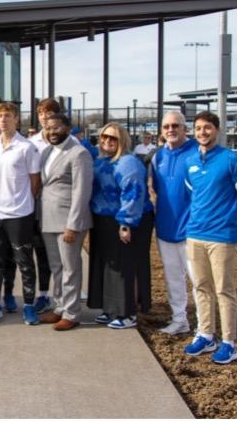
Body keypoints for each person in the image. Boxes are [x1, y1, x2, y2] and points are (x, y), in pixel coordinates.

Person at [183, 111, 237, 365]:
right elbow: (192, 197)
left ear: (217, 130)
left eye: (208, 128)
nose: (202, 132)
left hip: (222, 236)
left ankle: (229, 342)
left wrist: (232, 222)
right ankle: (205, 335)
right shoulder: (190, 162)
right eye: (198, 128)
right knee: (201, 287)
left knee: (224, 290)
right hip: (195, 234)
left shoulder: (231, 160)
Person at [88, 122, 154, 330]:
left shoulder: (128, 163)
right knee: (109, 267)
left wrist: (126, 223)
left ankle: (128, 313)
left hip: (128, 221)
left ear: (122, 141)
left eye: (113, 138)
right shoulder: (100, 162)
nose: (107, 141)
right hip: (103, 220)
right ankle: (111, 308)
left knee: (126, 267)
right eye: (104, 137)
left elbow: (133, 193)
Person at [0, 102, 41, 326]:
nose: (3, 120)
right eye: (0, 117)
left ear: (16, 119)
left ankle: (28, 306)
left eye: (8, 116)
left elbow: (35, 182)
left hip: (20, 214)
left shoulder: (27, 147)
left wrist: (23, 203)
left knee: (24, 262)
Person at [38, 114, 93, 331]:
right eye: (48, 128)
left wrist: (73, 224)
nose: (52, 132)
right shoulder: (46, 152)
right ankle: (60, 306)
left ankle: (72, 313)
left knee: (71, 267)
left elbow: (82, 192)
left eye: (57, 127)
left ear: (68, 128)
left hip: (68, 222)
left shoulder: (79, 153)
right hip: (48, 219)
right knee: (57, 267)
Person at [150, 111, 198, 335]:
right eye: (166, 126)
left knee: (199, 281)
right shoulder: (158, 157)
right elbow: (158, 191)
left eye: (175, 125)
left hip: (193, 230)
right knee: (173, 278)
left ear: (184, 128)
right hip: (166, 228)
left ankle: (204, 328)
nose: (171, 130)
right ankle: (180, 320)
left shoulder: (198, 152)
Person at [25, 97, 59, 314]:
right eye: (41, 114)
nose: (45, 118)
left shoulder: (66, 141)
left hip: (58, 207)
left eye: (49, 113)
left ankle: (63, 295)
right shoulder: (31, 143)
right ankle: (43, 294)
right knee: (40, 253)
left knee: (59, 256)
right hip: (36, 208)